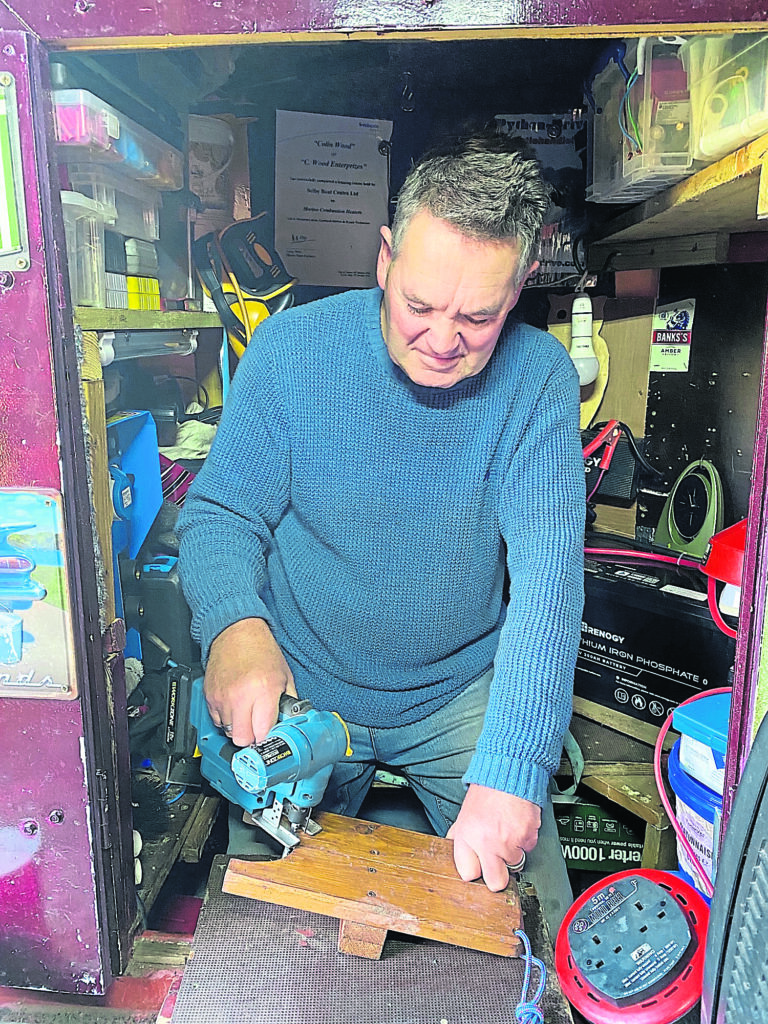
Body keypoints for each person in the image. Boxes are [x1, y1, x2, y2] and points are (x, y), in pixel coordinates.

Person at [177, 130, 585, 937]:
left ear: (522, 288)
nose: (442, 341)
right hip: (305, 681)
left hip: (457, 691)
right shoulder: (291, 352)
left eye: (478, 316)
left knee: (531, 915)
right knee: (257, 928)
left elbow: (548, 585)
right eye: (420, 305)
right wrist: (234, 625)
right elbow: (222, 514)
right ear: (385, 258)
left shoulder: (537, 380)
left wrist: (512, 770)